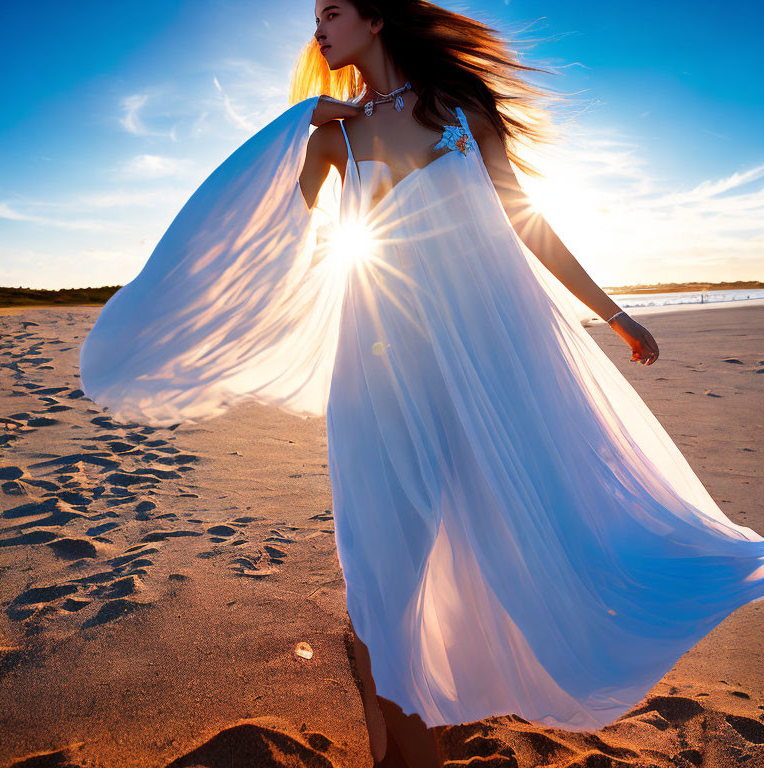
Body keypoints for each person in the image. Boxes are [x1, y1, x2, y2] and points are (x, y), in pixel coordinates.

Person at [80, 2, 764, 767]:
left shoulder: (462, 105)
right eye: (313, 18)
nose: (317, 29)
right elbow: (275, 234)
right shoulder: (334, 135)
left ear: (374, 18)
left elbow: (525, 219)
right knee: (386, 558)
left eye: (331, 12)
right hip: (380, 366)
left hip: (492, 356)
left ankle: (415, 712)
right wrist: (300, 124)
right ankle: (401, 742)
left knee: (538, 520)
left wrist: (613, 315)